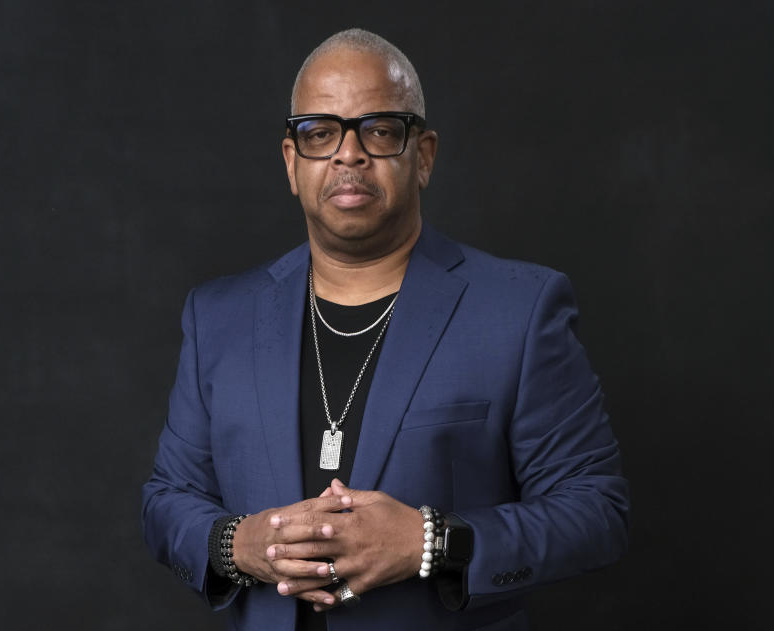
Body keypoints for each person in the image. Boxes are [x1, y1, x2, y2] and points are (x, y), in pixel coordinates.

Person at [142, 28, 629, 631]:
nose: (349, 154)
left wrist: (433, 542)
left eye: (378, 130)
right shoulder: (219, 316)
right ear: (293, 163)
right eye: (320, 133)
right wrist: (238, 546)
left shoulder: (519, 309)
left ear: (421, 155)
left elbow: (595, 511)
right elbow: (168, 500)